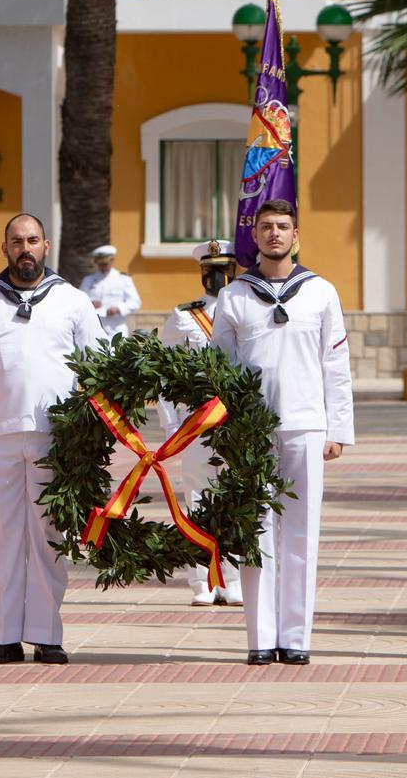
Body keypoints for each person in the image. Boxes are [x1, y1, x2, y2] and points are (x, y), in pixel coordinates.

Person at [0, 212, 105, 665]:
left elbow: (99, 367)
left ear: (46, 246)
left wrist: (95, 432)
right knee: (4, 536)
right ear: (5, 248)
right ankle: (3, 635)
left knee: (49, 536)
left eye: (33, 240)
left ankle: (47, 633)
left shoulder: (73, 301)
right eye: (17, 241)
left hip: (57, 436)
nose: (25, 248)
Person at [211, 198, 354, 666]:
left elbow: (336, 364)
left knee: (300, 532)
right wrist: (225, 429)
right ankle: (260, 637)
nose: (275, 233)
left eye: (283, 227)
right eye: (267, 226)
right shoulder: (234, 296)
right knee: (256, 532)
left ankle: (295, 637)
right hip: (251, 431)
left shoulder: (321, 292)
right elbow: (219, 370)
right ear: (254, 236)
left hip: (306, 424)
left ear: (296, 235)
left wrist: (338, 428)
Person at [157, 238, 241, 607]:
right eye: (210, 270)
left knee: (236, 498)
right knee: (196, 498)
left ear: (234, 271)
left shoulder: (246, 310)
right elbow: (163, 372)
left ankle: (234, 579)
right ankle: (201, 581)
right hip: (197, 423)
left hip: (237, 422)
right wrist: (171, 426)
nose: (216, 276)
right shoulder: (183, 317)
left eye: (223, 269)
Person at [80, 243, 141, 340]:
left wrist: (118, 309)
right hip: (94, 329)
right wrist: (91, 304)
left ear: (112, 260)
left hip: (116, 329)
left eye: (105, 264)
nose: (102, 267)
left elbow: (135, 302)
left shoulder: (123, 279)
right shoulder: (88, 280)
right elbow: (79, 302)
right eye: (100, 264)